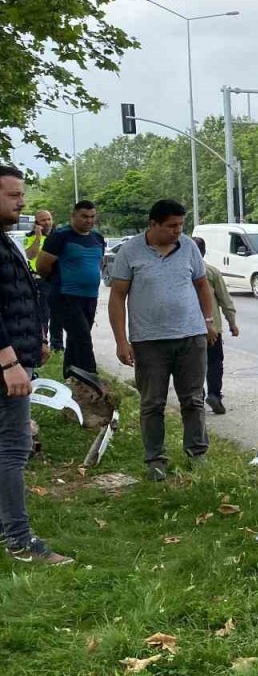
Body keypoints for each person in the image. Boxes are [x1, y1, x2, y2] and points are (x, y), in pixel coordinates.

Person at [108, 200, 217, 482]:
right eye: (171, 226)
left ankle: (197, 453)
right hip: (149, 342)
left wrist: (208, 322)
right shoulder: (130, 251)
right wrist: (122, 341)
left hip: (191, 338)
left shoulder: (189, 247)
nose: (177, 231)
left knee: (193, 399)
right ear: (153, 224)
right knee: (152, 402)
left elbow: (202, 285)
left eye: (181, 225)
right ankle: (155, 459)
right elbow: (117, 297)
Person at [0, 165, 70, 564]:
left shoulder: (7, 240)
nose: (22, 201)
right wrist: (9, 360)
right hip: (6, 366)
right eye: (13, 195)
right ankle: (20, 540)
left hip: (17, 356)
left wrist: (38, 341)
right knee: (13, 449)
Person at [37, 201, 106, 378]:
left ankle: (72, 378)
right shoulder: (60, 237)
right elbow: (42, 266)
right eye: (84, 216)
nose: (89, 220)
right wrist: (57, 283)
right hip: (65, 296)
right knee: (82, 337)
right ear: (73, 216)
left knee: (76, 339)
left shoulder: (98, 238)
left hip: (90, 297)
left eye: (92, 216)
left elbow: (96, 263)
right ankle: (92, 378)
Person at [192, 236, 238, 415]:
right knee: (214, 362)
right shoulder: (211, 272)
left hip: (188, 330)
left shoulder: (180, 272)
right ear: (203, 253)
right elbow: (225, 300)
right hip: (212, 328)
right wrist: (232, 323)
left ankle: (197, 396)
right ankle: (214, 394)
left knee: (193, 365)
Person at [23, 210, 63, 351]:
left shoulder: (58, 236)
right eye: (43, 220)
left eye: (49, 219)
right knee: (43, 314)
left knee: (57, 313)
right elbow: (30, 255)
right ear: (37, 223)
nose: (47, 222)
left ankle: (57, 345)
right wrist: (38, 236)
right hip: (40, 280)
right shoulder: (30, 237)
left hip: (56, 279)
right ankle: (42, 342)